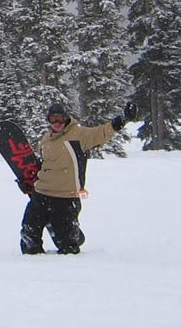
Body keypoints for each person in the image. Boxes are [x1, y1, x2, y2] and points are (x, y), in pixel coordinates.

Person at [20, 100, 137, 255]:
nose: (57, 123)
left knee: (68, 246)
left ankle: (71, 252)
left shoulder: (79, 135)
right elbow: (45, 165)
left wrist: (123, 119)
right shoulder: (46, 139)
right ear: (48, 120)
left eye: (60, 119)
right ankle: (30, 267)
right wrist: (29, 182)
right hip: (41, 194)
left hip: (65, 197)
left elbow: (102, 132)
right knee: (29, 234)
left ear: (66, 119)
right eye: (53, 120)